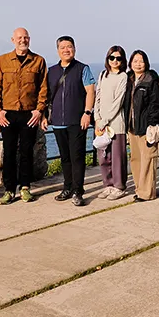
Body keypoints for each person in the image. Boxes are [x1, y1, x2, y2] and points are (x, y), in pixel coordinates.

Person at [0, 27, 48, 204]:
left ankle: (25, 187)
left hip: (29, 114)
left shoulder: (38, 61)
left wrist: (39, 110)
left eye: (25, 37)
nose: (23, 40)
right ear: (13, 40)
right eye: (19, 37)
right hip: (7, 114)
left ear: (29, 39)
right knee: (8, 152)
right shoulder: (3, 60)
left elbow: (43, 88)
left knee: (26, 152)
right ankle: (9, 190)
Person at [42, 36, 96, 206]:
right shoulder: (51, 71)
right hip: (58, 121)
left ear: (74, 49)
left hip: (77, 120)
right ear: (58, 50)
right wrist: (44, 116)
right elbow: (46, 96)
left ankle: (78, 191)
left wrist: (87, 112)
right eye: (63, 47)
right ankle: (67, 187)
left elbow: (90, 91)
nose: (66, 50)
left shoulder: (82, 69)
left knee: (77, 157)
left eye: (69, 46)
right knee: (65, 157)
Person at [123, 49, 159, 202]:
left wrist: (152, 124)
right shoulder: (129, 79)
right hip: (132, 127)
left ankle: (147, 193)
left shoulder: (151, 80)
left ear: (146, 63)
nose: (138, 64)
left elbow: (155, 104)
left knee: (148, 159)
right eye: (135, 61)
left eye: (141, 61)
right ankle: (139, 189)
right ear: (130, 63)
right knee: (136, 159)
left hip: (147, 127)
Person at [93, 46, 129, 200]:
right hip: (101, 123)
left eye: (118, 58)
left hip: (116, 123)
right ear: (107, 58)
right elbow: (98, 96)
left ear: (123, 60)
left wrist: (104, 121)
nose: (115, 61)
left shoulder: (123, 77)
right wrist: (97, 118)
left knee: (117, 157)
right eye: (112, 57)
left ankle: (119, 186)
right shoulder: (103, 74)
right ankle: (107, 184)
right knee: (103, 157)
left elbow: (118, 102)